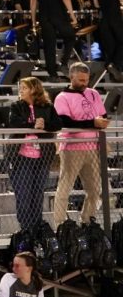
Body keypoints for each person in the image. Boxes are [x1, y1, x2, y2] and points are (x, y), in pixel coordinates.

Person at [53, 62, 108, 224]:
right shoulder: (62, 97)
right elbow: (65, 122)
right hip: (72, 147)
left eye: (87, 80)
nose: (85, 84)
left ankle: (87, 221)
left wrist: (100, 123)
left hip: (93, 147)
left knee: (95, 190)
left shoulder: (93, 93)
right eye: (81, 80)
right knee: (64, 188)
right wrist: (93, 123)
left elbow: (102, 114)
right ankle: (60, 224)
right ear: (71, 78)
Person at [6, 76, 59, 233]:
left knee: (37, 196)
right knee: (23, 196)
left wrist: (45, 125)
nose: (20, 90)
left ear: (34, 89)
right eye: (20, 88)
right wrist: (32, 125)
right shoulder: (16, 106)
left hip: (42, 158)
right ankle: (26, 229)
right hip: (21, 159)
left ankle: (36, 228)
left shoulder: (47, 106)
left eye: (24, 88)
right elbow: (13, 123)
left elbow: (57, 124)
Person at [30, 0, 78, 78]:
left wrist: (34, 21)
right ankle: (63, 63)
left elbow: (33, 1)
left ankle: (52, 74)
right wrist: (72, 15)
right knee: (70, 37)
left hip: (44, 15)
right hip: (58, 13)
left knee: (49, 44)